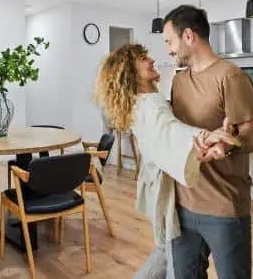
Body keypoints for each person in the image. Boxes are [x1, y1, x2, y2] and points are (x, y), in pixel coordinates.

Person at [94, 43, 238, 279]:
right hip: (166, 190)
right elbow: (170, 131)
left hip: (157, 185)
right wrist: (205, 136)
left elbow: (167, 131)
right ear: (129, 71)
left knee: (168, 250)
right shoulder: (149, 105)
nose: (151, 60)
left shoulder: (143, 100)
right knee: (176, 258)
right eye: (142, 58)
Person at [162, 5, 253, 279]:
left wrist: (226, 145)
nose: (169, 49)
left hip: (224, 207)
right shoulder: (178, 81)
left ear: (189, 36)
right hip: (183, 204)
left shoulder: (230, 76)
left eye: (170, 41)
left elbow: (252, 135)